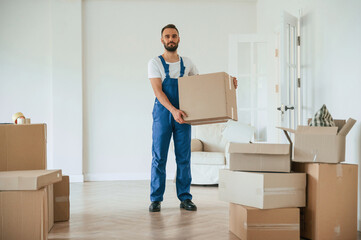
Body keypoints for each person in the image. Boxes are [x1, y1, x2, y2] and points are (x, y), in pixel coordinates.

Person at [148, 24, 237, 212]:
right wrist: (173, 110)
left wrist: (229, 84)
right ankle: (156, 199)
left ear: (179, 39)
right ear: (162, 40)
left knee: (183, 157)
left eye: (174, 36)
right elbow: (158, 91)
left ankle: (185, 198)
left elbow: (202, 87)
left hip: (185, 115)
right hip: (164, 113)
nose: (170, 39)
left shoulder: (188, 63)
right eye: (167, 36)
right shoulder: (154, 63)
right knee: (159, 156)